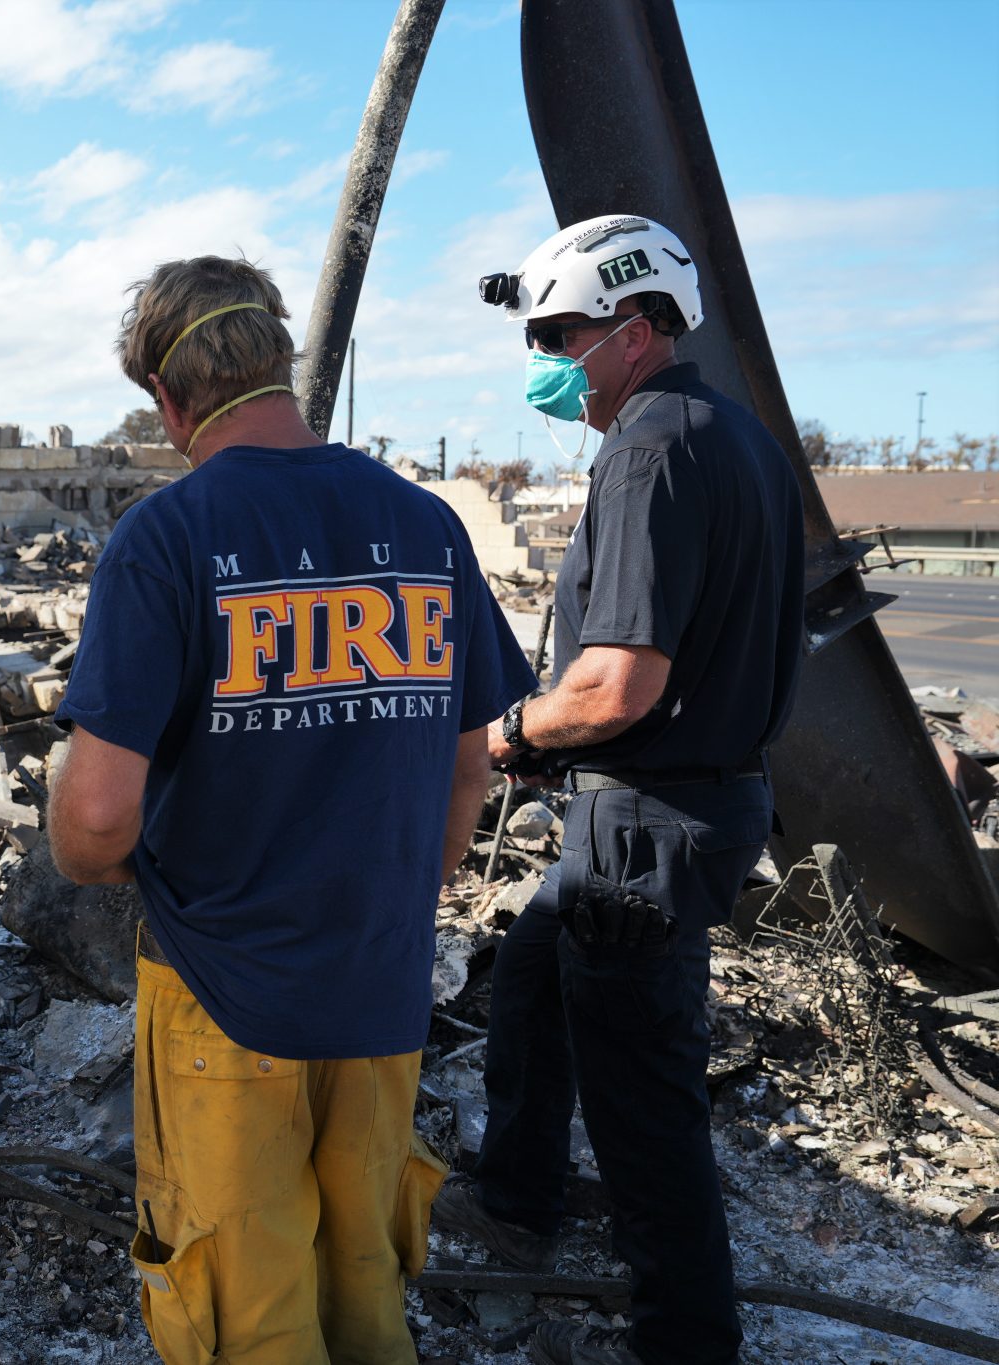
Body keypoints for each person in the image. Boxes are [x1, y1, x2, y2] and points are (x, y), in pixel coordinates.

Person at [47, 254, 536, 1365]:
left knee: (244, 1305)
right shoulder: (425, 526)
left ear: (167, 398)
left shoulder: (165, 538)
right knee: (364, 1280)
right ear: (282, 364)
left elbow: (91, 829)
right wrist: (410, 888)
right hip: (378, 985)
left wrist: (124, 868)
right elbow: (471, 763)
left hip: (224, 992)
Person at [436, 215, 806, 1365]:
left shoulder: (646, 450)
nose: (543, 358)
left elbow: (612, 684)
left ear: (637, 329)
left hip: (646, 824)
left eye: (559, 333)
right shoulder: (727, 436)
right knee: (532, 987)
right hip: (671, 805)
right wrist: (566, 744)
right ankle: (516, 1199)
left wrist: (508, 732)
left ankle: (682, 1339)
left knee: (641, 1092)